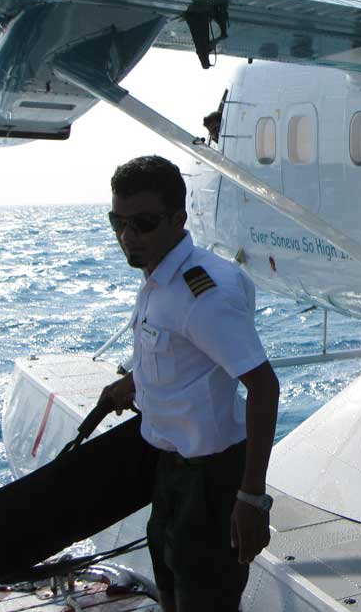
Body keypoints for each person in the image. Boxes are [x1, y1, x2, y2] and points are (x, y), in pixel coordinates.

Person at [96, 155, 279, 612]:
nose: (127, 236)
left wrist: (251, 497)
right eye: (118, 221)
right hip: (172, 472)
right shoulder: (161, 280)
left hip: (212, 482)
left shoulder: (201, 295)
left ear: (179, 219)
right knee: (173, 588)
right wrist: (132, 383)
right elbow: (183, 359)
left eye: (143, 222)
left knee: (207, 598)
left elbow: (263, 386)